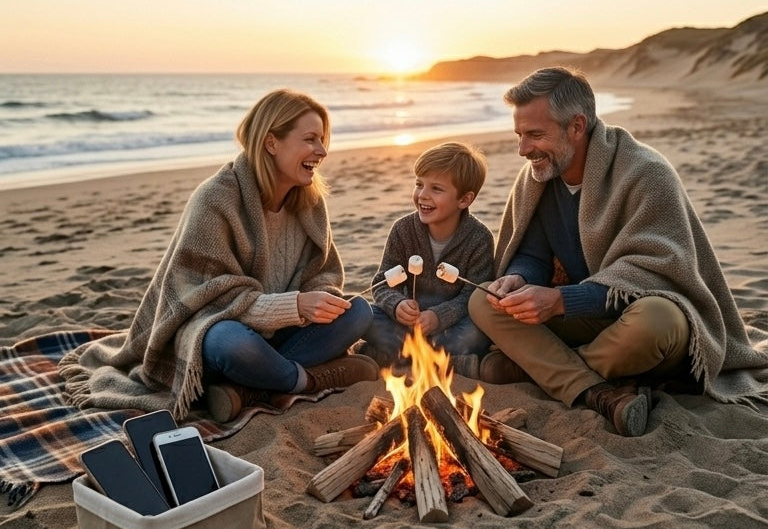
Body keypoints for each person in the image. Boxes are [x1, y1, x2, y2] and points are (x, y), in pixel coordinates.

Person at [469, 67, 768, 437]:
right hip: (586, 318)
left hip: (638, 315)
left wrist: (560, 300)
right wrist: (519, 278)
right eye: (518, 135)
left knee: (656, 321)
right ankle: (597, 389)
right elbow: (532, 254)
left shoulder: (646, 173)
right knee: (483, 301)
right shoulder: (538, 176)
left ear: (576, 126)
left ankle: (536, 368)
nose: (523, 149)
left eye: (535, 134)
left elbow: (657, 272)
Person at [60, 89, 378, 424]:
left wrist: (320, 301)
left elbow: (324, 272)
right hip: (210, 330)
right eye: (311, 139)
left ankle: (248, 390)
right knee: (232, 343)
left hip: (282, 332)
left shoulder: (309, 202)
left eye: (323, 139)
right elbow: (205, 297)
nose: (322, 151)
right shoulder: (216, 199)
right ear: (272, 142)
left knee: (358, 312)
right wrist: (295, 305)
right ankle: (309, 379)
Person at [362, 141, 493, 377]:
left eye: (436, 189)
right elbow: (381, 283)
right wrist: (397, 305)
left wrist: (438, 317)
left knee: (478, 331)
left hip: (451, 327)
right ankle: (446, 363)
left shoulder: (479, 238)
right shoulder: (403, 230)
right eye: (419, 184)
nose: (422, 195)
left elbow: (472, 297)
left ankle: (397, 358)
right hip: (406, 326)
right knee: (364, 315)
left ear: (464, 200)